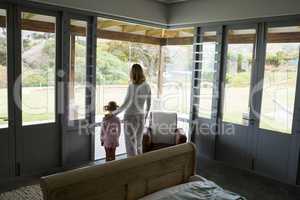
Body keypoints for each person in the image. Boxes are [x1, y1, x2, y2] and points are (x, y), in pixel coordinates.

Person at [113, 64, 151, 156]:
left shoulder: (132, 86)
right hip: (141, 116)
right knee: (138, 143)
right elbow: (149, 105)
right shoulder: (147, 86)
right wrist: (145, 116)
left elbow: (125, 104)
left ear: (132, 73)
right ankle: (139, 164)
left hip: (130, 116)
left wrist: (113, 114)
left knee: (130, 144)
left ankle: (131, 165)